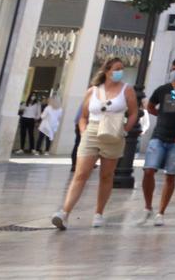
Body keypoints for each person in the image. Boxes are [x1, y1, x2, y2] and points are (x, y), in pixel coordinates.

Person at [53, 59, 137, 230]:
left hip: (114, 133)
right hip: (92, 131)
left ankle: (99, 213)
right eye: (116, 69)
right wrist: (84, 132)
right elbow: (83, 116)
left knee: (107, 175)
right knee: (80, 173)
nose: (120, 72)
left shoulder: (126, 90)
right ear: (106, 71)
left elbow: (134, 112)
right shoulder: (92, 91)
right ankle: (64, 213)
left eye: (122, 69)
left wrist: (126, 130)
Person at [140, 58, 175, 225]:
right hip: (159, 135)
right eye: (173, 68)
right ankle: (148, 206)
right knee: (149, 170)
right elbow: (150, 106)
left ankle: (161, 212)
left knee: (170, 175)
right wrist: (161, 115)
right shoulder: (163, 90)